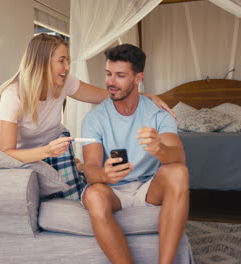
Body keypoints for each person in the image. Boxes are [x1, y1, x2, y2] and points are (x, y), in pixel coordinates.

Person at [0, 33, 175, 200]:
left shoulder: (64, 82)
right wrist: (46, 151)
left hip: (57, 144)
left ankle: (78, 168)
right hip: (30, 154)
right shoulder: (12, 95)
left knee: (76, 199)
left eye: (68, 61)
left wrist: (145, 95)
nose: (66, 67)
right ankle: (78, 168)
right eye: (61, 61)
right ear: (42, 62)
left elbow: (105, 95)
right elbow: (6, 153)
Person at [80, 44, 189, 263]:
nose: (111, 82)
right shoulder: (94, 118)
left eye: (120, 75)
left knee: (178, 172)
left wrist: (160, 148)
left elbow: (178, 157)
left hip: (148, 189)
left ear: (138, 78)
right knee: (93, 194)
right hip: (114, 192)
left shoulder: (159, 113)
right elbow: (90, 169)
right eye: (109, 74)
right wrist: (105, 175)